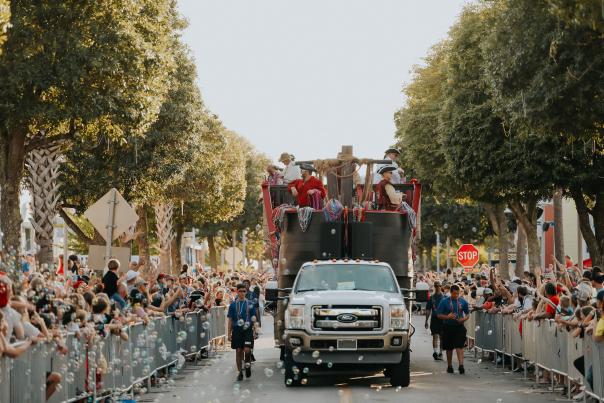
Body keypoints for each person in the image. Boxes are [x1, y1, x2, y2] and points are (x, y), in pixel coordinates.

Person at [436, 284, 470, 374]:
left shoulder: (463, 301)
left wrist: (463, 319)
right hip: (448, 327)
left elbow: (467, 314)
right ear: (451, 292)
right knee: (449, 348)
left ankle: (461, 365)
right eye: (454, 293)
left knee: (459, 346)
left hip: (459, 327)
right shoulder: (444, 302)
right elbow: (438, 315)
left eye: (457, 294)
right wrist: (447, 317)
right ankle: (449, 366)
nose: (456, 296)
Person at [227, 284, 256, 381]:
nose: (242, 293)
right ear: (237, 291)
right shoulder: (233, 305)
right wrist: (229, 333)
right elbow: (230, 319)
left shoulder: (250, 303)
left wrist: (255, 330)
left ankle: (247, 366)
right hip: (237, 330)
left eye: (244, 291)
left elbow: (254, 318)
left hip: (247, 329)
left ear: (246, 292)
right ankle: (240, 372)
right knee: (238, 351)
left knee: (247, 350)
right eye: (240, 291)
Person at [425, 281, 444, 360]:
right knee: (435, 336)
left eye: (438, 286)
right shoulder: (432, 297)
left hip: (443, 319)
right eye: (436, 286)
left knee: (442, 337)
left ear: (441, 286)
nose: (437, 287)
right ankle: (435, 352)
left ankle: (441, 352)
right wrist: (426, 321)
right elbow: (428, 309)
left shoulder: (444, 297)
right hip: (434, 319)